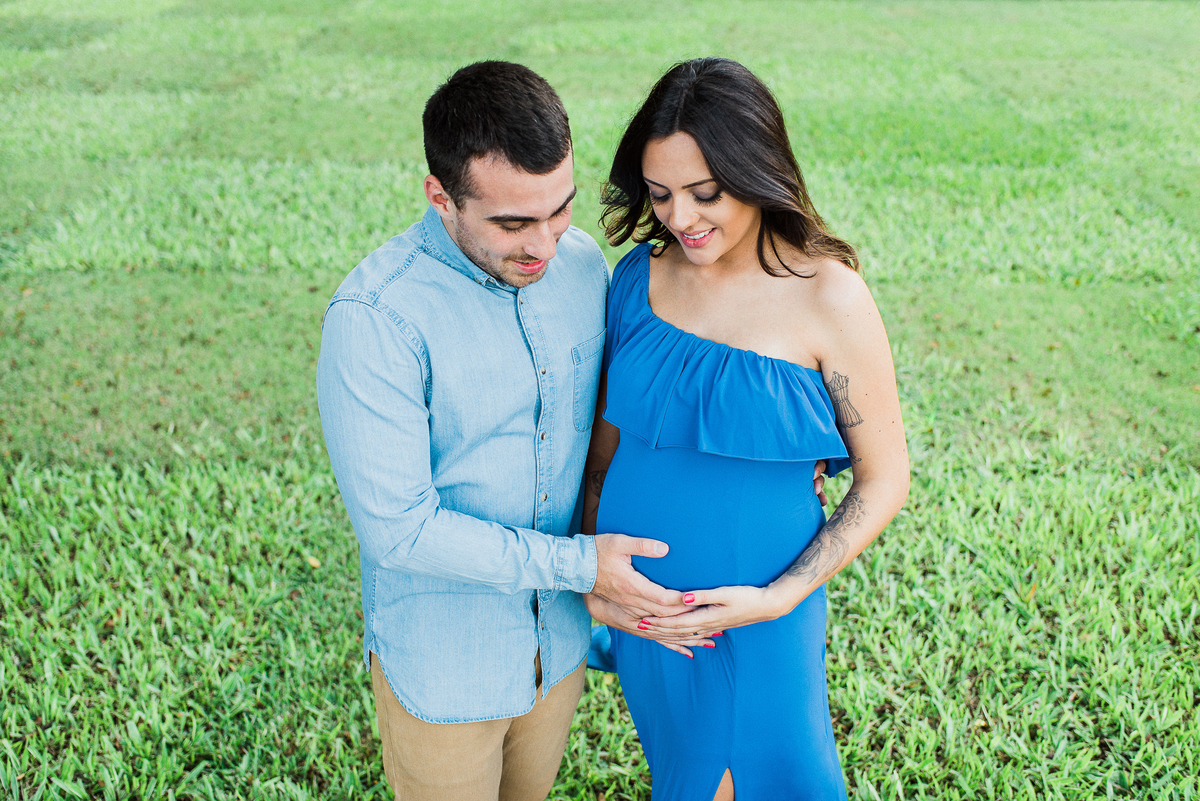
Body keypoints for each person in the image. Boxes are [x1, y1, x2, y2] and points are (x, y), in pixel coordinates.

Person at [316, 61, 696, 800]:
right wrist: (580, 565)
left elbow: (621, 420)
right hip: (445, 667)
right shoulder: (375, 319)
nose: (545, 245)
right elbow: (399, 529)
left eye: (559, 209)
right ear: (440, 197)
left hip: (558, 652)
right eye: (512, 223)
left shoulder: (584, 266)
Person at [581, 57, 911, 801]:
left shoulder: (830, 296)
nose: (681, 218)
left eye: (706, 194)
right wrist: (592, 581)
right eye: (660, 194)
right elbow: (602, 457)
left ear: (759, 171)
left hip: (764, 611)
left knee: (773, 777)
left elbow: (885, 477)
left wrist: (779, 597)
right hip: (646, 615)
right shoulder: (639, 276)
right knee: (683, 776)